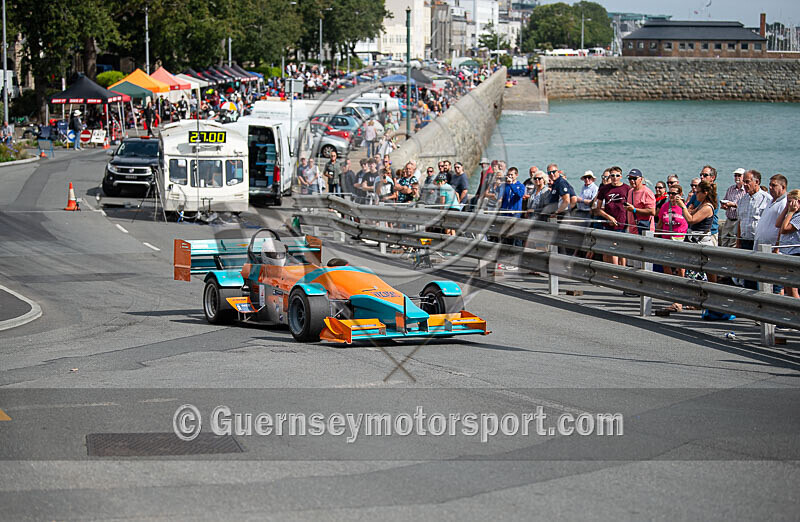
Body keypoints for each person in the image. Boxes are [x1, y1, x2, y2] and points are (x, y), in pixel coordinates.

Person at [737, 170, 772, 289]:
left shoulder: (766, 199)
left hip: (760, 242)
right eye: (744, 182)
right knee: (747, 275)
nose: (745, 185)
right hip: (745, 240)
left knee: (761, 274)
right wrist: (738, 241)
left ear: (756, 182)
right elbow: (740, 221)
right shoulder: (742, 200)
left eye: (747, 182)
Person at [658, 184, 690, 312]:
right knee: (666, 265)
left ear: (680, 195)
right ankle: (672, 289)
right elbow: (660, 223)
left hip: (679, 239)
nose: (672, 196)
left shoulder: (683, 207)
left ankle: (680, 294)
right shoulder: (665, 206)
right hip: (667, 239)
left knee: (680, 268)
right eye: (670, 194)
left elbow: (689, 221)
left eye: (674, 194)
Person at [594, 166, 631, 266]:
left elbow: (631, 206)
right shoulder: (604, 189)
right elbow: (598, 209)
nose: (615, 177)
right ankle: (613, 271)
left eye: (617, 175)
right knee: (609, 249)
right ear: (610, 176)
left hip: (623, 223)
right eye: (613, 175)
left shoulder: (627, 188)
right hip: (608, 223)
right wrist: (608, 217)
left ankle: (622, 270)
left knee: (621, 250)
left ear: (621, 176)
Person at [753, 174, 788, 254]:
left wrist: (777, 246)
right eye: (770, 185)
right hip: (760, 245)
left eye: (774, 185)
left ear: (783, 187)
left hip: (771, 247)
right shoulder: (771, 201)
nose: (770, 188)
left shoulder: (784, 203)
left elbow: (782, 226)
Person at [677, 180, 717, 245]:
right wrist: (685, 206)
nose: (696, 195)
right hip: (693, 239)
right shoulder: (701, 204)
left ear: (705, 193)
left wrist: (683, 206)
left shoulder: (707, 207)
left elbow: (691, 220)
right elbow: (690, 214)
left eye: (698, 192)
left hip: (701, 242)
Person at [776, 189, 800, 298]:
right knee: (788, 287)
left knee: (793, 287)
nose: (789, 204)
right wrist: (786, 209)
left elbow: (784, 229)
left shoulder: (798, 217)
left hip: (795, 253)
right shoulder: (792, 214)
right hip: (786, 252)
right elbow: (778, 224)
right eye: (788, 201)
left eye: (791, 201)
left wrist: (790, 212)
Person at [719, 168, 747, 248]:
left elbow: (745, 207)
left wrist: (734, 205)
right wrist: (725, 205)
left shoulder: (745, 190)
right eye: (735, 175)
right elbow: (725, 199)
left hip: (737, 221)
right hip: (728, 220)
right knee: (724, 241)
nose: (737, 177)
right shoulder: (731, 189)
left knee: (733, 243)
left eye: (739, 175)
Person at [624, 169, 656, 235]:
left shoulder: (647, 192)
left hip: (645, 230)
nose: (632, 181)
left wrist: (634, 210)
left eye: (634, 178)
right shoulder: (631, 191)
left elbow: (652, 212)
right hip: (632, 230)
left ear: (641, 179)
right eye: (630, 179)